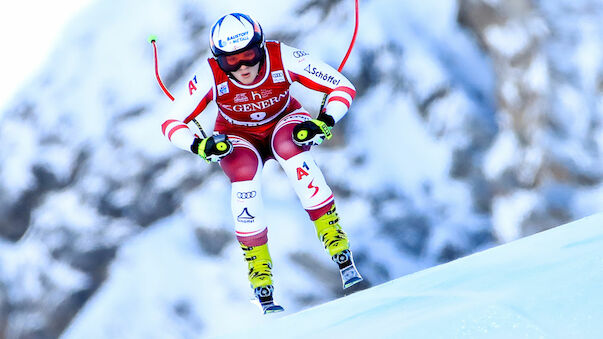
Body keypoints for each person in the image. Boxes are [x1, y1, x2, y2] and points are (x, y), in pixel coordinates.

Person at [161, 13, 361, 313]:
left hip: (284, 121)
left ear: (261, 47)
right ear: (219, 60)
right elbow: (170, 121)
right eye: (231, 61)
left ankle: (337, 244)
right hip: (238, 136)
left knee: (290, 146)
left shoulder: (283, 56)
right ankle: (261, 276)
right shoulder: (210, 74)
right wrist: (199, 144)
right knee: (242, 170)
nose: (243, 67)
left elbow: (342, 87)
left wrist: (324, 121)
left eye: (249, 55)